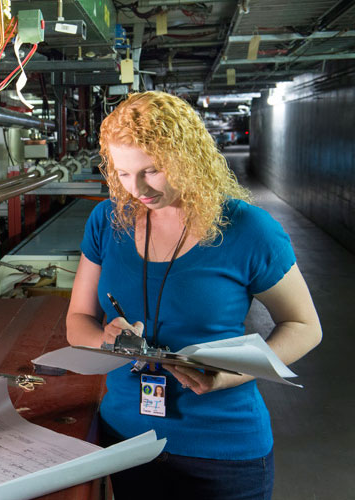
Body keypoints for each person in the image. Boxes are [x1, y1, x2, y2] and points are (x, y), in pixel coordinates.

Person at [66, 91, 322, 500]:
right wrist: (105, 341)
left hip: (222, 453)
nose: (138, 189)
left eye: (152, 170)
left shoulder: (248, 229)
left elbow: (305, 327)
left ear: (188, 156)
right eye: (124, 173)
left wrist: (228, 374)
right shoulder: (106, 221)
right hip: (127, 440)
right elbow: (77, 321)